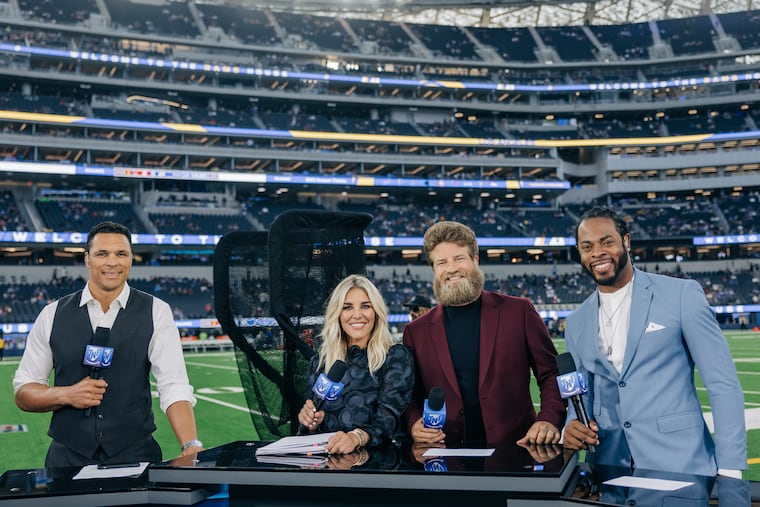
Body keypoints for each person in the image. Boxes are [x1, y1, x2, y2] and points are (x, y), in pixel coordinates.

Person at [563, 206, 746, 477]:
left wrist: (731, 469)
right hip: (610, 469)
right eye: (587, 246)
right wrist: (572, 424)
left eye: (607, 242)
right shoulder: (576, 321)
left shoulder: (681, 295)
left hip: (681, 465)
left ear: (626, 241)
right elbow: (582, 394)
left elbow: (723, 384)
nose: (597, 253)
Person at [13, 221, 202, 467]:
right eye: (102, 254)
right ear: (87, 259)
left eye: (121, 254)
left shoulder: (157, 311)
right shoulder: (52, 314)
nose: (112, 262)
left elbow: (173, 385)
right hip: (66, 458)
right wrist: (65, 394)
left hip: (136, 454)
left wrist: (190, 444)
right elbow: (24, 392)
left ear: (131, 259)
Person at [402, 221, 565, 447]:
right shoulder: (415, 331)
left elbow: (550, 373)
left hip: (515, 450)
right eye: (441, 262)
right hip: (444, 455)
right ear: (434, 270)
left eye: (459, 258)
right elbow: (410, 395)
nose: (451, 269)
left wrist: (548, 419)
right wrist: (413, 423)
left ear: (475, 260)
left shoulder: (519, 311)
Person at [298, 274, 414, 454]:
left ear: (376, 312)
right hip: (328, 469)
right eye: (347, 307)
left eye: (366, 306)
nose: (357, 315)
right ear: (337, 314)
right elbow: (307, 432)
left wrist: (355, 438)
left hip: (378, 470)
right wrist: (309, 422)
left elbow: (388, 420)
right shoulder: (319, 363)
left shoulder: (394, 357)